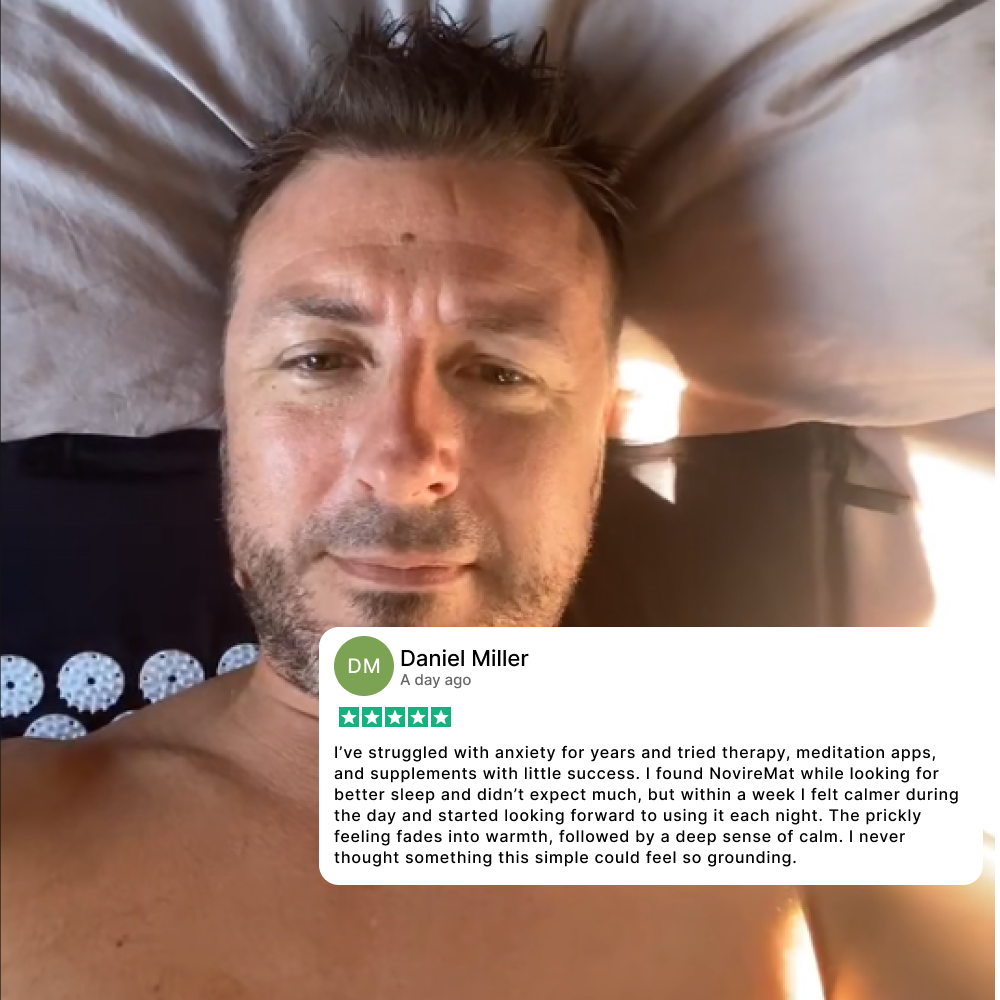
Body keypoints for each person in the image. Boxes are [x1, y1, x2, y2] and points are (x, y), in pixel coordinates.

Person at [2, 15, 987, 1000]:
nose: (401, 466)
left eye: (501, 371)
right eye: (322, 360)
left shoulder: (813, 800)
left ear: (603, 428)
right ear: (229, 414)